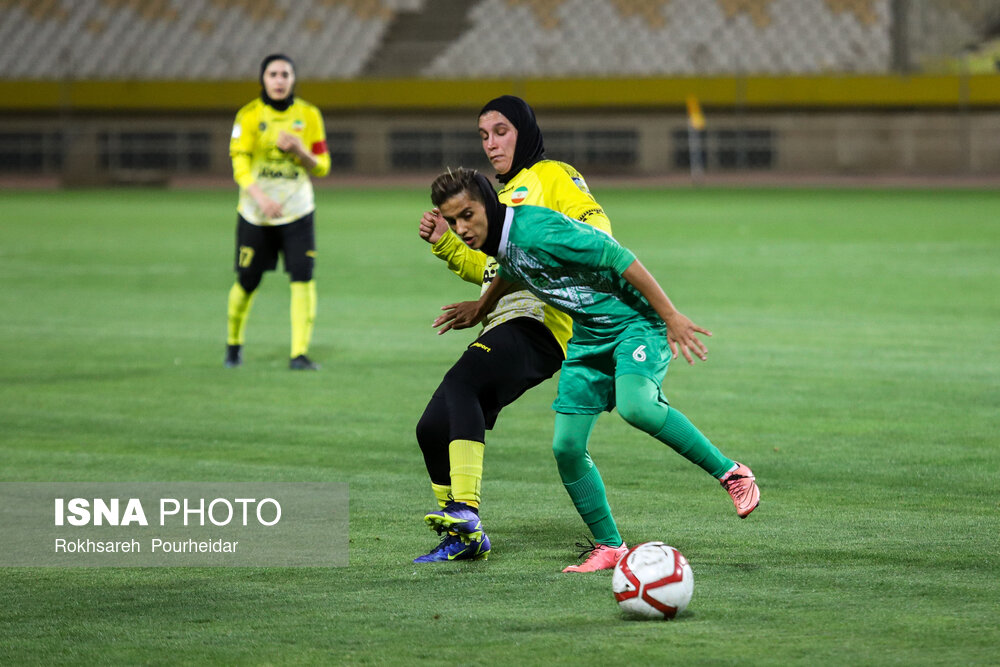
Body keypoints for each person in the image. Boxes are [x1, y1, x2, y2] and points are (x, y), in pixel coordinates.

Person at [426, 168, 760, 572]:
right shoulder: (501, 239)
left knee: (638, 407)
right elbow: (514, 268)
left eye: (467, 215)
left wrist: (670, 315)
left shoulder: (538, 229)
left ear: (489, 205)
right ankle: (611, 546)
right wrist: (481, 307)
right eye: (453, 219)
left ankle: (732, 473)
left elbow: (618, 256)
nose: (461, 228)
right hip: (587, 337)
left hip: (635, 321)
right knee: (566, 446)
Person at [413, 96, 614, 565]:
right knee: (431, 427)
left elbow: (596, 226)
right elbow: (488, 271)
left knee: (463, 383)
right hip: (506, 319)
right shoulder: (496, 197)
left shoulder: (553, 176)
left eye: (501, 131)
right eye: (484, 136)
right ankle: (461, 537)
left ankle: (466, 511)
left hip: (541, 321)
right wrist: (446, 242)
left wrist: (552, 243)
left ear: (523, 130)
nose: (491, 144)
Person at [224, 53, 330, 370]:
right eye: (273, 74)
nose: (280, 80)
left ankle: (299, 354)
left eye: (285, 74)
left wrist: (299, 150)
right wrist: (259, 197)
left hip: (298, 212)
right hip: (256, 215)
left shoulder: (309, 115)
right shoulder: (248, 116)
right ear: (263, 79)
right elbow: (239, 165)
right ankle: (233, 344)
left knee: (302, 278)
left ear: (293, 79)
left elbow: (322, 166)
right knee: (247, 280)